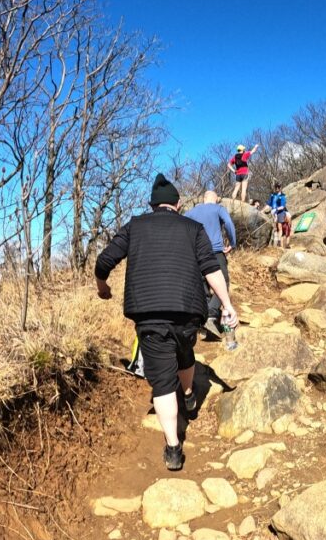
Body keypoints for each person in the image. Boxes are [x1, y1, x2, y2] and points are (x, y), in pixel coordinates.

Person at [95, 174, 238, 471]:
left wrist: (102, 287)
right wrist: (226, 305)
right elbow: (212, 268)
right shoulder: (193, 228)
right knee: (185, 351)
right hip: (187, 311)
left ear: (152, 204)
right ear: (178, 203)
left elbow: (104, 261)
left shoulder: (135, 226)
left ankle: (173, 448)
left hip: (148, 313)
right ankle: (187, 395)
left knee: (161, 381)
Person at [184, 190, 237, 335]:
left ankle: (205, 321)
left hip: (196, 254)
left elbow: (181, 226)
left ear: (204, 198)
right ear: (215, 199)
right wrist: (232, 242)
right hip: (215, 252)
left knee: (203, 287)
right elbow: (228, 223)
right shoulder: (218, 208)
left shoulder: (191, 212)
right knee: (223, 281)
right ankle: (212, 314)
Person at [267, 182, 291, 248]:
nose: (277, 189)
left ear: (280, 188)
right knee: (275, 228)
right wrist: (263, 211)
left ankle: (281, 242)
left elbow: (282, 206)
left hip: (280, 212)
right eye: (276, 187)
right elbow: (269, 204)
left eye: (278, 187)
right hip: (273, 213)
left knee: (281, 227)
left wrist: (276, 210)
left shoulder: (282, 196)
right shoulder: (273, 195)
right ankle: (274, 243)